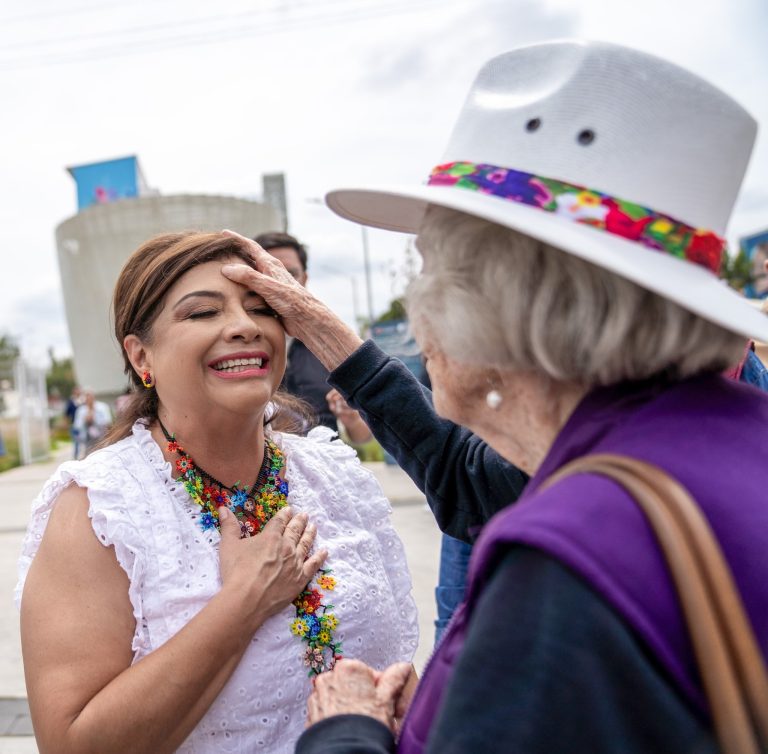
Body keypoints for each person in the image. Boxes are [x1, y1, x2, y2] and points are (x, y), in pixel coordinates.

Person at [222, 41, 768, 753]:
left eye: (427, 275)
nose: (419, 314)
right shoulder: (727, 433)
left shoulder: (564, 555)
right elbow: (470, 483)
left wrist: (347, 732)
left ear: (495, 304)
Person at [15, 232, 417, 754]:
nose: (245, 326)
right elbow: (73, 746)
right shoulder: (99, 510)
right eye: (203, 312)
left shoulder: (334, 472)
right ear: (142, 357)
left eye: (262, 308)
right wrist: (245, 600)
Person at [254, 231, 372, 444]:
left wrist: (351, 418)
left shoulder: (331, 343)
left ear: (305, 279)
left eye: (290, 274)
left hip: (327, 469)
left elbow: (362, 437)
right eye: (267, 274)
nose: (280, 284)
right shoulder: (237, 342)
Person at [72, 388, 112, 456]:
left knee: (101, 455)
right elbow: (77, 425)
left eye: (90, 396)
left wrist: (94, 420)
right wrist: (85, 421)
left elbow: (108, 421)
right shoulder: (81, 410)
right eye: (87, 396)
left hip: (101, 438)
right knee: (89, 456)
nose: (89, 398)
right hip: (87, 440)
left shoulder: (102, 407)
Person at [64, 385, 83, 459]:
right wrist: (66, 423)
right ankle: (76, 457)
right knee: (76, 442)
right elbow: (67, 413)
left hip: (83, 425)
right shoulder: (71, 401)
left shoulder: (83, 401)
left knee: (84, 440)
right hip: (74, 425)